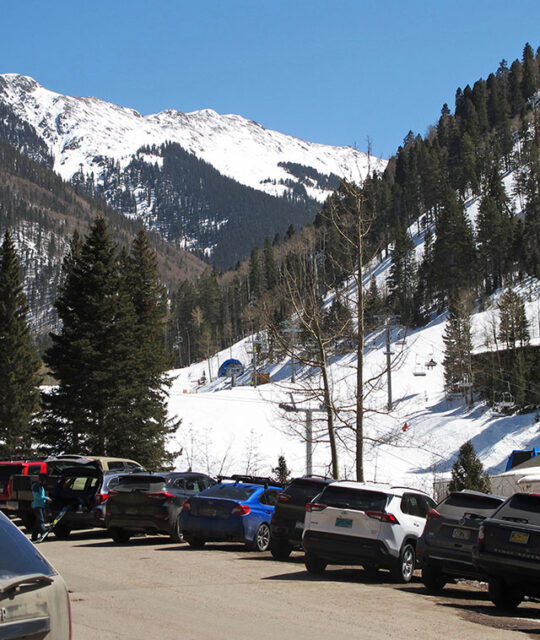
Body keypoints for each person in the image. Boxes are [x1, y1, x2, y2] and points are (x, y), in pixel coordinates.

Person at [31, 472, 52, 541]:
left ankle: (34, 536)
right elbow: (37, 496)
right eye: (43, 481)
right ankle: (43, 531)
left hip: (41, 505)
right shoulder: (36, 486)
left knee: (37, 522)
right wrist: (46, 498)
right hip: (37, 506)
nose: (44, 482)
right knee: (41, 520)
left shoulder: (41, 487)